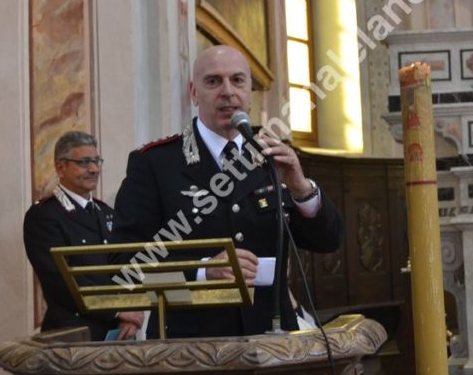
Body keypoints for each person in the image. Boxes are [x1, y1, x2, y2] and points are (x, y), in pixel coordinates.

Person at [114, 45, 344, 338]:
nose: (227, 92)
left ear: (250, 91)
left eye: (238, 81)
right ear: (194, 92)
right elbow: (124, 262)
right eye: (213, 81)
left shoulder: (273, 155)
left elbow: (328, 240)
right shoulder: (156, 163)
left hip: (271, 334)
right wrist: (202, 271)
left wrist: (301, 189)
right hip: (192, 342)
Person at [23, 131, 146, 341]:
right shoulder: (44, 215)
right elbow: (59, 281)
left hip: (118, 334)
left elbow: (127, 267)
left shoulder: (105, 212)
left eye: (97, 161)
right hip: (71, 334)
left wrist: (131, 311)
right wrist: (116, 311)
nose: (94, 169)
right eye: (84, 162)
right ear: (61, 167)